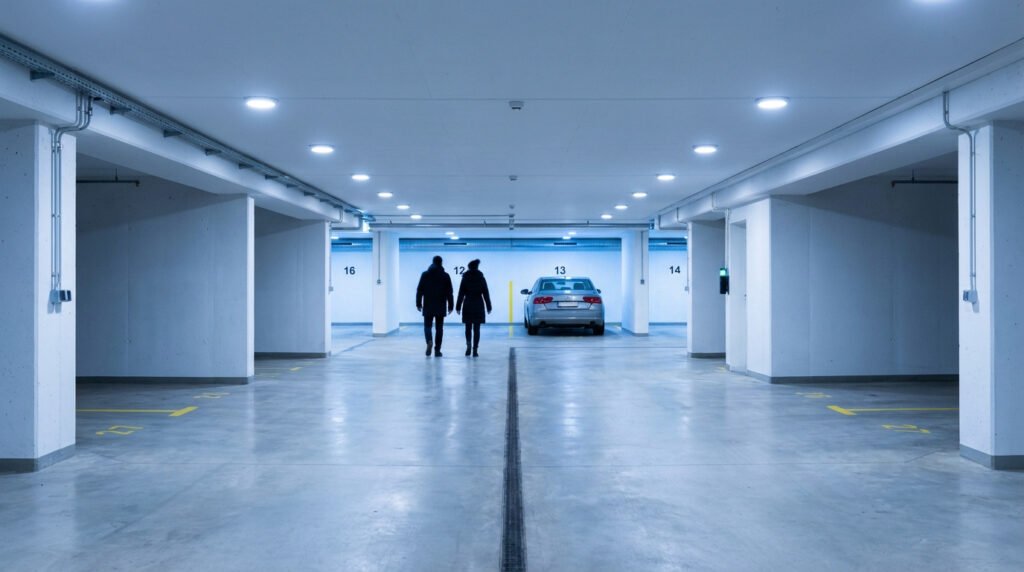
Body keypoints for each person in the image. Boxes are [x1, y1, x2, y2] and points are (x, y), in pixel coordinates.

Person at [416, 255, 454, 357]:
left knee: (427, 326)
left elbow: (420, 290)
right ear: (441, 263)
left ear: (432, 262)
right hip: (441, 305)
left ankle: (429, 341)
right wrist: (451, 305)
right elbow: (449, 292)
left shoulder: (425, 275)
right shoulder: (445, 276)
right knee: (439, 328)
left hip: (428, 305)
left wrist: (418, 303)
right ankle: (437, 350)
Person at [456, 259, 492, 357]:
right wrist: (488, 306)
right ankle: (475, 350)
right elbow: (486, 293)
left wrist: (458, 306)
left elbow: (461, 293)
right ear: (477, 267)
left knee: (468, 327)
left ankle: (468, 346)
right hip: (478, 305)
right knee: (477, 329)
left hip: (467, 304)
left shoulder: (465, 278)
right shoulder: (481, 278)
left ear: (469, 267)